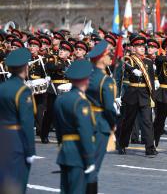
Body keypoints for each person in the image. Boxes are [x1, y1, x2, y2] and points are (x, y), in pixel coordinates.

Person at [54, 60, 96, 194]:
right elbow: (84, 131)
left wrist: (62, 144)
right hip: (78, 153)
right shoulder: (81, 102)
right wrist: (89, 158)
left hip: (65, 151)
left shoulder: (60, 99)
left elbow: (58, 129)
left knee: (65, 190)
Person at [0, 48, 36, 193]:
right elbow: (27, 123)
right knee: (17, 183)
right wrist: (30, 151)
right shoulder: (23, 91)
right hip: (16, 142)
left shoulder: (2, 87)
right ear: (25, 67)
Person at [85, 40, 118, 193]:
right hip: (100, 123)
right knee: (93, 166)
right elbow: (109, 108)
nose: (111, 57)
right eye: (108, 55)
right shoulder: (106, 80)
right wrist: (113, 124)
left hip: (84, 120)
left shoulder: (86, 76)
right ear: (102, 58)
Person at [117, 36, 157, 157]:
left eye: (143, 47)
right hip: (132, 93)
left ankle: (150, 148)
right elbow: (125, 66)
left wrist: (152, 97)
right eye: (139, 47)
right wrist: (133, 70)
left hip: (145, 94)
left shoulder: (148, 62)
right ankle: (122, 145)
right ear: (133, 48)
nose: (142, 49)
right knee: (128, 121)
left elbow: (150, 80)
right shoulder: (129, 59)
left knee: (147, 122)